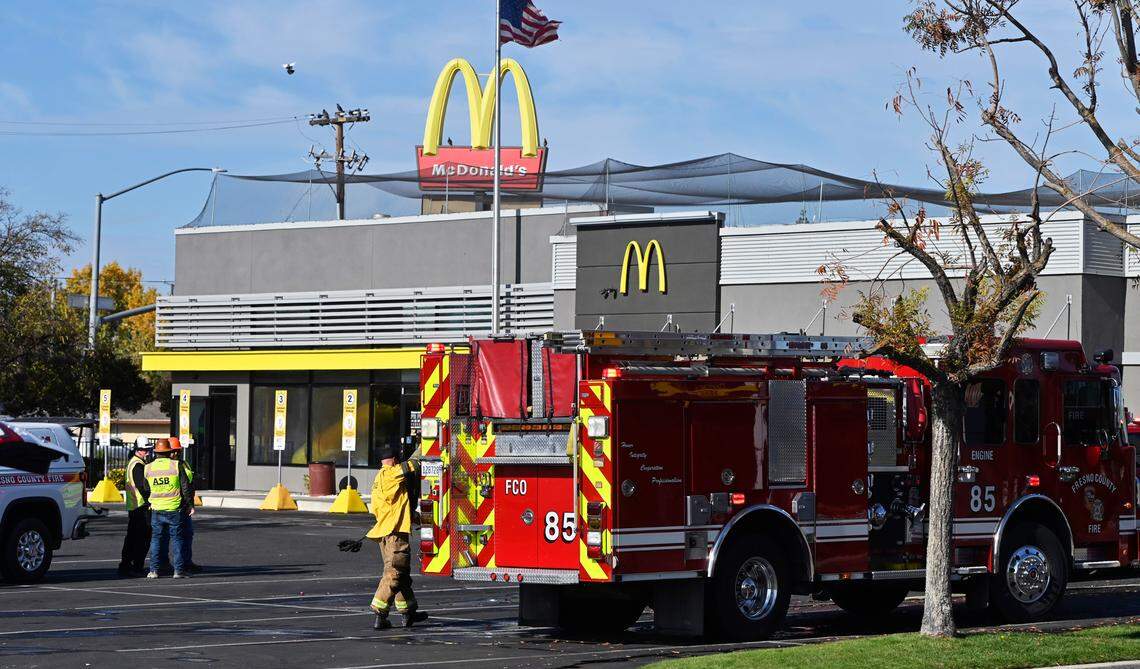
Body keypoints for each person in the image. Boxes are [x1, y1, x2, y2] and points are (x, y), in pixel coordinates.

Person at [365, 448, 428, 629]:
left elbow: (395, 506)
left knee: (402, 575)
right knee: (394, 574)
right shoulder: (390, 474)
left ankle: (408, 612)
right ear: (393, 460)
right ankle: (380, 611)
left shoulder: (379, 479)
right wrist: (424, 445)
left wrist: (415, 518)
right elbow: (412, 465)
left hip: (386, 532)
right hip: (394, 535)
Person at [142, 438, 193, 579]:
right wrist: (190, 505)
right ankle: (178, 571)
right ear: (170, 452)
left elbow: (146, 488)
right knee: (177, 539)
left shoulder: (148, 467)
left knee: (156, 540)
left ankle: (153, 571)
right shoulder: (176, 466)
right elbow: (185, 487)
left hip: (156, 509)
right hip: (174, 508)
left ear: (156, 452)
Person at [117, 436, 153, 577]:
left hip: (134, 507)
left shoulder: (133, 462)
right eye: (145, 450)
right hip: (140, 507)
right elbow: (141, 487)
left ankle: (125, 565)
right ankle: (136, 566)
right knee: (141, 539)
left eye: (148, 449)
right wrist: (150, 500)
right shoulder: (138, 465)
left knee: (132, 538)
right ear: (139, 450)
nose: (148, 453)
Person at [167, 437, 202, 574]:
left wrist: (189, 503)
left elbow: (188, 484)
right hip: (175, 505)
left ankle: (186, 562)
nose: (175, 454)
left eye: (177, 451)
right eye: (173, 451)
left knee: (187, 535)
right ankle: (177, 565)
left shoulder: (183, 464)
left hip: (182, 505)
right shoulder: (171, 466)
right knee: (176, 537)